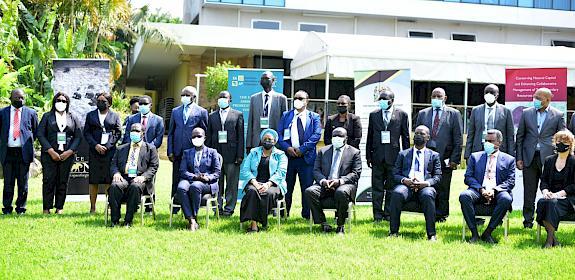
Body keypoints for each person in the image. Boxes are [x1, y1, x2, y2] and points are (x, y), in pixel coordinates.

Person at [516, 87, 566, 229]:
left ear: (548, 100)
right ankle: (527, 222)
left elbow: (561, 139)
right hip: (529, 158)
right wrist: (519, 157)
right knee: (529, 192)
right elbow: (520, 137)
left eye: (539, 98)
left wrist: (560, 159)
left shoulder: (558, 115)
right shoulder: (526, 113)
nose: (535, 100)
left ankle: (546, 221)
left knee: (548, 191)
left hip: (549, 160)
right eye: (534, 96)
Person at [415, 87, 463, 221]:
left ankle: (441, 214)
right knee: (428, 185)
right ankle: (429, 211)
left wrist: (455, 159)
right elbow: (417, 136)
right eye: (433, 96)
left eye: (439, 97)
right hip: (426, 157)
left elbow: (458, 138)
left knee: (443, 186)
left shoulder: (454, 114)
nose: (436, 99)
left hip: (445, 157)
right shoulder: (423, 114)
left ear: (445, 98)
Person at [460, 129, 515, 244]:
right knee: (464, 196)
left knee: (506, 199)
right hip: (479, 190)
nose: (487, 143)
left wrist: (495, 190)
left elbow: (510, 181)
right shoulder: (475, 157)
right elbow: (468, 177)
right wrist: (481, 189)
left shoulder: (509, 160)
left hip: (498, 191)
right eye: (486, 140)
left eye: (491, 141)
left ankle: (488, 232)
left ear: (499, 143)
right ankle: (474, 234)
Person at [388, 125, 442, 241]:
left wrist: (425, 183)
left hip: (425, 186)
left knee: (428, 194)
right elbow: (395, 174)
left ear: (428, 137)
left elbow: (438, 177)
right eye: (416, 133)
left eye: (422, 134)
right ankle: (393, 232)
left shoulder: (434, 155)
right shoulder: (403, 154)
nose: (418, 136)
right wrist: (405, 180)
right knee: (397, 193)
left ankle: (431, 234)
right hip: (406, 185)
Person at [305, 127, 362, 235]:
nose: (337, 138)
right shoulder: (323, 151)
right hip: (325, 183)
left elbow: (356, 173)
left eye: (340, 136)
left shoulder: (354, 152)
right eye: (334, 136)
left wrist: (340, 181)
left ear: (346, 138)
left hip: (344, 184)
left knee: (341, 192)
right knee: (309, 191)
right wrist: (323, 181)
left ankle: (340, 226)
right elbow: (316, 170)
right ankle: (323, 223)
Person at [366, 87, 410, 222]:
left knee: (391, 188)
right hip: (377, 156)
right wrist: (368, 155)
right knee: (377, 188)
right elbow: (370, 136)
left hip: (394, 157)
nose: (382, 101)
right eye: (381, 99)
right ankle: (377, 215)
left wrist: (406, 158)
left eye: (385, 99)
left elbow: (406, 137)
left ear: (392, 101)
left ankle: (388, 214)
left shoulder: (402, 114)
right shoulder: (374, 115)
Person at [277, 90, 322, 219]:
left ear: (307, 101)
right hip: (289, 158)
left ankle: (307, 214)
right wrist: (287, 148)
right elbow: (279, 135)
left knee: (307, 187)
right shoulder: (286, 115)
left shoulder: (314, 117)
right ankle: (284, 213)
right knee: (287, 187)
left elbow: (316, 135)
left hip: (306, 158)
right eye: (295, 98)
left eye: (300, 98)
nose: (297, 100)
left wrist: (302, 149)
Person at [37, 92, 82, 214]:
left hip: (66, 155)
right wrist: (50, 150)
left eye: (64, 101)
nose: (61, 103)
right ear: (54, 102)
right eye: (58, 100)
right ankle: (46, 208)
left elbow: (78, 136)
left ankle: (59, 208)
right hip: (49, 155)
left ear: (67, 103)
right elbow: (40, 134)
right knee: (48, 180)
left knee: (63, 181)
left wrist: (69, 151)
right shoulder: (47, 116)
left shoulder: (73, 117)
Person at [109, 123, 159, 227]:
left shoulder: (150, 149)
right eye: (132, 131)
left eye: (137, 131)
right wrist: (116, 173)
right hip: (124, 177)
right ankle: (115, 220)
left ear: (143, 133)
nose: (134, 133)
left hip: (140, 179)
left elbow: (153, 166)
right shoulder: (121, 148)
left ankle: (128, 221)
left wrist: (144, 177)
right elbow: (113, 164)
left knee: (135, 187)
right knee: (114, 186)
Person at [168, 86, 208, 211]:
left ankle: (190, 205)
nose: (184, 97)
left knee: (191, 178)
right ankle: (175, 207)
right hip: (178, 151)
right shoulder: (175, 111)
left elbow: (205, 132)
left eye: (187, 95)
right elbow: (171, 132)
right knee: (176, 179)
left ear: (194, 97)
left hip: (193, 152)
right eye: (182, 95)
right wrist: (170, 151)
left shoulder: (201, 112)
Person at [239, 129, 288, 232]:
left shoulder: (281, 155)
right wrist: (255, 183)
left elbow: (281, 172)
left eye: (270, 139)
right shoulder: (253, 152)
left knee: (267, 193)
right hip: (255, 182)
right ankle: (254, 224)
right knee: (252, 192)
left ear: (274, 141)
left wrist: (268, 184)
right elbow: (245, 170)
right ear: (261, 141)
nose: (267, 141)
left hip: (274, 184)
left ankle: (263, 221)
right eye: (265, 139)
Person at [122, 95, 164, 213]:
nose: (143, 106)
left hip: (150, 155)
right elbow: (126, 137)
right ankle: (134, 204)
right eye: (141, 104)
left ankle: (149, 207)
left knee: (150, 180)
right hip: (133, 154)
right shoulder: (131, 119)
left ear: (150, 105)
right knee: (133, 179)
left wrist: (146, 149)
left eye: (145, 104)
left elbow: (158, 138)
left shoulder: (158, 120)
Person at [0, 89, 38, 215]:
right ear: (11, 98)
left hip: (23, 153)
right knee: (8, 182)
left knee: (23, 183)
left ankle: (21, 208)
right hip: (8, 152)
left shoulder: (31, 113)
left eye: (22, 98)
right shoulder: (3, 113)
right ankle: (7, 208)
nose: (19, 100)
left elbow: (35, 131)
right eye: (17, 98)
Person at [206, 91, 244, 216]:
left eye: (224, 97)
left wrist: (240, 155)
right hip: (216, 155)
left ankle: (229, 209)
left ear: (230, 100)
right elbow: (209, 137)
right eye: (220, 97)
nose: (222, 99)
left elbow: (240, 136)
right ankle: (217, 208)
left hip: (232, 155)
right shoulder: (211, 116)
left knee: (232, 184)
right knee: (217, 183)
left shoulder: (237, 115)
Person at [83, 92, 122, 214]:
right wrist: (96, 145)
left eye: (103, 101)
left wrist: (108, 146)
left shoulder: (115, 116)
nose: (100, 103)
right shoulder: (90, 115)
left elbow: (118, 132)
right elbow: (87, 133)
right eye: (98, 101)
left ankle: (109, 206)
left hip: (109, 152)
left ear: (109, 103)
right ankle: (93, 207)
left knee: (108, 180)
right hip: (95, 152)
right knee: (93, 180)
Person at [177, 127, 221, 231]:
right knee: (181, 187)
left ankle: (194, 217)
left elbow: (217, 172)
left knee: (195, 186)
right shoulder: (187, 152)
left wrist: (207, 177)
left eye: (199, 136)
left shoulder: (212, 152)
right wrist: (194, 177)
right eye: (194, 136)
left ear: (204, 138)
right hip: (190, 179)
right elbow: (183, 171)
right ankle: (192, 219)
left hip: (206, 183)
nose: (196, 138)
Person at [536, 130, 575, 248]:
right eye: (558, 141)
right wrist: (546, 192)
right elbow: (544, 181)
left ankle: (549, 241)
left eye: (564, 141)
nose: (561, 143)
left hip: (569, 198)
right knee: (543, 202)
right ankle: (554, 240)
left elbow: (574, 185)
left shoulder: (573, 161)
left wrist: (557, 194)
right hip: (551, 197)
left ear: (570, 144)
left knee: (550, 204)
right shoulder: (549, 160)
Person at [465, 84, 515, 159]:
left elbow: (510, 136)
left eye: (491, 93)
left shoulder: (506, 111)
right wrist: (467, 154)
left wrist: (511, 155)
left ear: (497, 95)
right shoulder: (476, 110)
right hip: (479, 148)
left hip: (498, 149)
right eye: (486, 92)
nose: (488, 95)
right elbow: (471, 134)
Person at [246, 71, 288, 153]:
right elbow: (251, 121)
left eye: (267, 78)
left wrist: (284, 143)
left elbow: (285, 123)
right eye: (262, 79)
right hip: (257, 141)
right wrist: (248, 145)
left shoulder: (282, 98)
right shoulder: (254, 98)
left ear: (273, 81)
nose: (264, 80)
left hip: (275, 141)